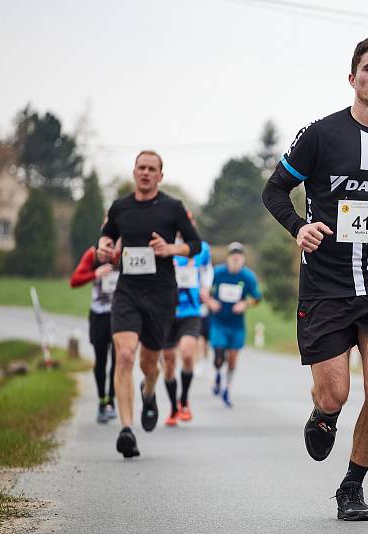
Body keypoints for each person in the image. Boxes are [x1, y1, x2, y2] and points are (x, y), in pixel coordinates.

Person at [262, 35, 368, 521]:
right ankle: (325, 414)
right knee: (335, 392)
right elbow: (275, 191)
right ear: (353, 77)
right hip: (326, 285)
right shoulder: (321, 135)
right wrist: (300, 227)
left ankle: (352, 486)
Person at [98, 150, 201, 458]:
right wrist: (104, 248)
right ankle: (126, 429)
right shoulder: (120, 208)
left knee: (149, 363)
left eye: (151, 169)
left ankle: (149, 391)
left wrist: (169, 248)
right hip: (128, 291)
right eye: (140, 168)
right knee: (126, 355)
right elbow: (105, 237)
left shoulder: (172, 208)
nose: (145, 173)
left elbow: (195, 245)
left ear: (160, 175)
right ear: (134, 172)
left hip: (160, 295)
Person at [161, 228, 212, 427]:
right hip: (166, 312)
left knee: (188, 353)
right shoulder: (164, 246)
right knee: (168, 361)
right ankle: (173, 408)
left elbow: (208, 269)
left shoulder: (201, 248)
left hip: (191, 311)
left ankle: (184, 400)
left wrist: (206, 287)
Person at [203, 242, 261, 407]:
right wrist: (210, 301)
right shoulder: (218, 273)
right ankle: (217, 376)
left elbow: (256, 298)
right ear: (228, 258)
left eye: (239, 256)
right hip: (219, 321)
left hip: (237, 324)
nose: (236, 259)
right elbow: (204, 290)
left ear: (243, 259)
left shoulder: (247, 277)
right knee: (219, 357)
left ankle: (227, 389)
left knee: (233, 359)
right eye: (233, 256)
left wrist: (245, 304)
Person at [71, 242, 120, 423]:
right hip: (99, 315)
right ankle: (101, 401)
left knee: (119, 359)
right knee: (101, 360)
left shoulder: (127, 251)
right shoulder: (93, 254)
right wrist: (95, 274)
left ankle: (112, 401)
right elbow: (74, 280)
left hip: (121, 314)